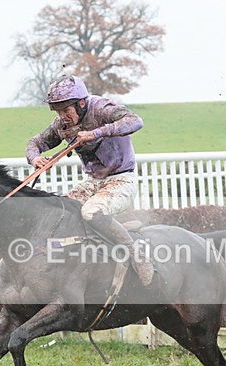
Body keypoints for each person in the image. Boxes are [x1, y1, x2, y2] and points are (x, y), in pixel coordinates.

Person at [26, 75, 154, 286]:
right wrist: (35, 158)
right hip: (93, 183)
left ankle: (136, 253)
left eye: (66, 110)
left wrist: (94, 133)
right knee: (59, 212)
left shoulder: (101, 108)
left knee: (90, 212)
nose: (63, 117)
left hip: (121, 180)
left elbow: (135, 121)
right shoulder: (60, 124)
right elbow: (35, 142)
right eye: (58, 111)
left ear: (82, 103)